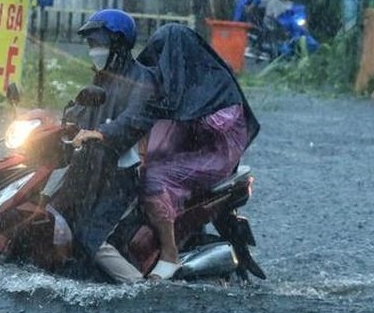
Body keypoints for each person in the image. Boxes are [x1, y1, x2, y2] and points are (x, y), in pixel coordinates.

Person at [73, 23, 260, 280]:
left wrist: (114, 132)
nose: (160, 62)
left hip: (215, 154)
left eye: (163, 54)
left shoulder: (208, 88)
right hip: (190, 149)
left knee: (153, 176)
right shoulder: (178, 84)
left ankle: (169, 255)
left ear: (180, 56)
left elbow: (150, 115)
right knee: (145, 167)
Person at [48, 9, 157, 281]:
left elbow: (135, 119)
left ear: (118, 44)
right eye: (91, 45)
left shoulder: (142, 80)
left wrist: (101, 134)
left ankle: (140, 289)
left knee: (92, 238)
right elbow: (81, 111)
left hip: (121, 178)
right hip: (91, 169)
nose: (93, 51)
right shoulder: (102, 78)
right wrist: (58, 126)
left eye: (98, 44)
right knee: (53, 214)